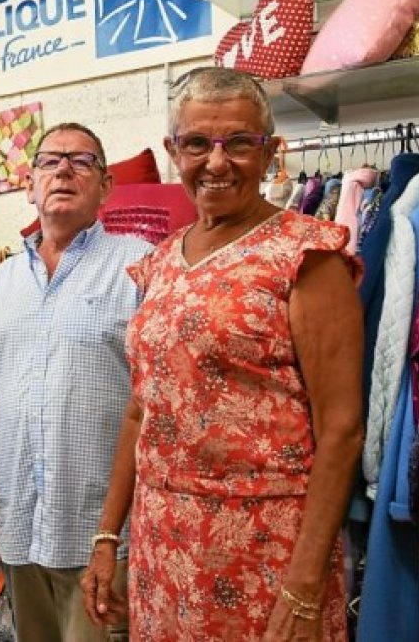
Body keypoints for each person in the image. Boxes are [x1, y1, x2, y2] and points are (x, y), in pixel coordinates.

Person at [80, 67, 364, 641]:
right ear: (172, 151)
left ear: (269, 153)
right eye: (196, 144)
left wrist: (305, 586)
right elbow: (142, 407)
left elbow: (342, 429)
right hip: (165, 547)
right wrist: (109, 536)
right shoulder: (158, 262)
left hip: (267, 551)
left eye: (238, 142)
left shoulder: (306, 256)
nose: (215, 162)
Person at [0, 123, 151, 641]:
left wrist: (113, 534)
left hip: (101, 541)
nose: (63, 169)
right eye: (49, 161)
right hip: (17, 530)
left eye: (82, 161)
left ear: (106, 186)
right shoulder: (0, 284)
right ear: (30, 184)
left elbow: (152, 404)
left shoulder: (139, 267)